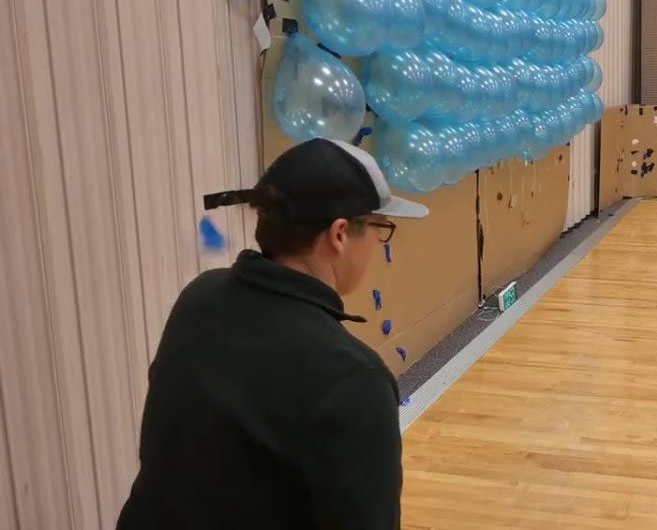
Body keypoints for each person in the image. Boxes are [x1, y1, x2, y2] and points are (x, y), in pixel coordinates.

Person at [116, 137, 429, 530]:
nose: (377, 245)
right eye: (380, 228)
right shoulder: (353, 378)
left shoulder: (198, 298)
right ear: (340, 234)